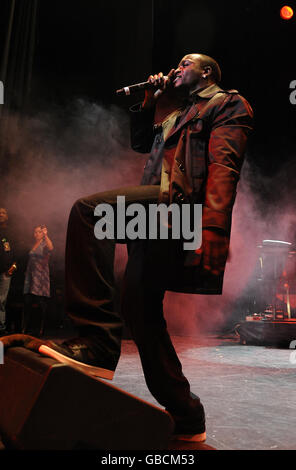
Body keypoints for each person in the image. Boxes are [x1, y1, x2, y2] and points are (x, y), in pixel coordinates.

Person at [0, 53, 253, 442]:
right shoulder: (179, 112)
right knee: (140, 310)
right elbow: (142, 144)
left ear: (206, 72)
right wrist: (151, 102)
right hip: (155, 222)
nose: (177, 68)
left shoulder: (228, 103)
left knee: (89, 213)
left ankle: (99, 342)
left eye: (186, 64)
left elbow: (225, 169)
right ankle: (187, 415)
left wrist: (212, 232)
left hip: (181, 212)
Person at [22, 225, 54, 336]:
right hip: (31, 275)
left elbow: (51, 248)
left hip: (40, 276)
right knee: (27, 301)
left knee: (41, 303)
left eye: (39, 232)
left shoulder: (45, 243)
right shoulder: (33, 244)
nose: (36, 234)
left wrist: (46, 235)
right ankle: (25, 328)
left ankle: (41, 329)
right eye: (35, 232)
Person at [0, 208, 17, 332]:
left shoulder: (11, 233)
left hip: (5, 272)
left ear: (7, 216)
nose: (0, 214)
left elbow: (17, 252)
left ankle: (1, 327)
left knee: (1, 300)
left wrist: (12, 268)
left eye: (3, 213)